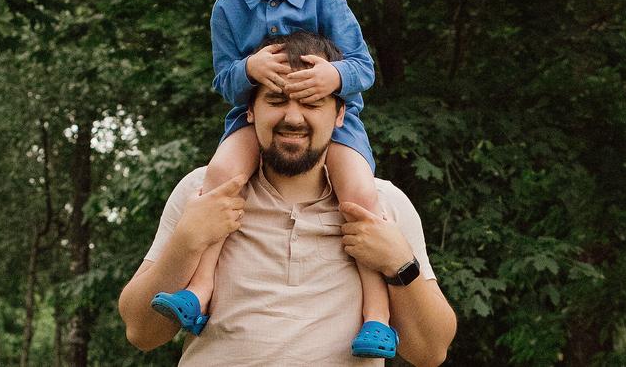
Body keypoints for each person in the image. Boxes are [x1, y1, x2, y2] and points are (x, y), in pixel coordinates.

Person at [152, 0, 392, 356]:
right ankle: (198, 292)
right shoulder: (228, 7)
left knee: (362, 195)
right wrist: (249, 68)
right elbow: (224, 81)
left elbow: (363, 66)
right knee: (220, 178)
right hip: (253, 119)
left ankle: (377, 318)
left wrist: (333, 78)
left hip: (335, 125)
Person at [118, 32, 457, 366]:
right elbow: (141, 332)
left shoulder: (383, 204)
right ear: (250, 110)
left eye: (312, 103)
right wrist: (186, 242)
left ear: (340, 115)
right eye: (277, 101)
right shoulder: (205, 191)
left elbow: (430, 352)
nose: (293, 118)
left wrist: (400, 264)